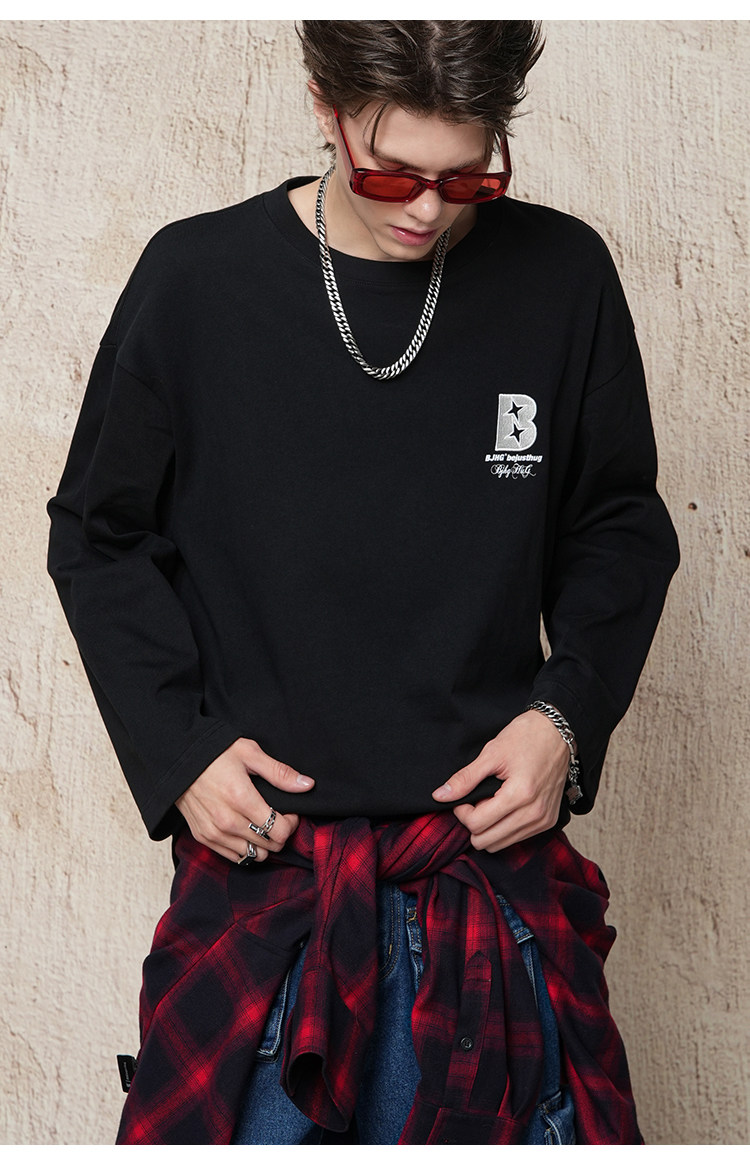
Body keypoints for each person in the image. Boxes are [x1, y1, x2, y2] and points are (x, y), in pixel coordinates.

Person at [46, 20, 679, 1146]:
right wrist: (178, 750)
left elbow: (619, 526)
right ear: (325, 109)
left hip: (491, 897)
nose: (429, 209)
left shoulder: (563, 274)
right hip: (269, 900)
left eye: (468, 178)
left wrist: (565, 720)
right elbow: (98, 532)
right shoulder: (196, 280)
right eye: (392, 173)